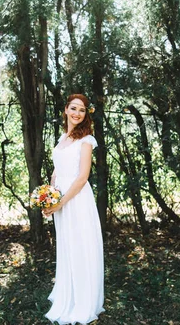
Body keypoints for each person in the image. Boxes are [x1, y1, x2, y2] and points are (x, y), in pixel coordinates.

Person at [42, 94, 105, 325]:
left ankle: (84, 300)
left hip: (76, 199)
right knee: (67, 246)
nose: (78, 113)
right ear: (66, 110)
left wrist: (61, 201)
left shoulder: (86, 140)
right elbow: (57, 171)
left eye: (82, 110)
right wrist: (48, 198)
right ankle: (68, 292)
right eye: (74, 108)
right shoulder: (63, 137)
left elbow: (82, 177)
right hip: (60, 198)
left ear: (86, 114)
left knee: (81, 245)